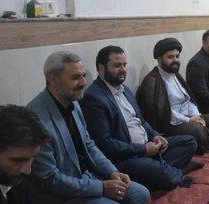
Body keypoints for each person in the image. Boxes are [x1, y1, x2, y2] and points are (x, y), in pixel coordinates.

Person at [28, 51, 150, 204]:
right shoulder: (36, 118)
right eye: (75, 77)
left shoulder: (73, 102)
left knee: (141, 196)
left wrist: (112, 172)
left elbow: (89, 144)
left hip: (89, 177)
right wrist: (100, 188)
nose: (83, 82)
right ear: (53, 79)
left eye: (84, 75)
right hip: (63, 196)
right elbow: (50, 179)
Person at [82, 45, 202, 191]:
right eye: (117, 65)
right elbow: (105, 144)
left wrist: (155, 136)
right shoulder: (94, 97)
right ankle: (176, 171)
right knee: (166, 176)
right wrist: (143, 150)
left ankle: (162, 169)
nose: (123, 69)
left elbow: (141, 121)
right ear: (102, 68)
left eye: (125, 65)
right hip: (126, 157)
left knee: (189, 142)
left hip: (147, 148)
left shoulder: (125, 89)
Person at [136, 38, 209, 154]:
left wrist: (196, 116)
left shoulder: (175, 75)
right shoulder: (152, 80)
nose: (175, 60)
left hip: (186, 116)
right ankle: (203, 145)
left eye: (177, 56)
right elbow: (161, 113)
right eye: (170, 57)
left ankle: (206, 144)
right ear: (159, 59)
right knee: (196, 129)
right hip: (169, 123)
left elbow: (188, 100)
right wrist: (189, 120)